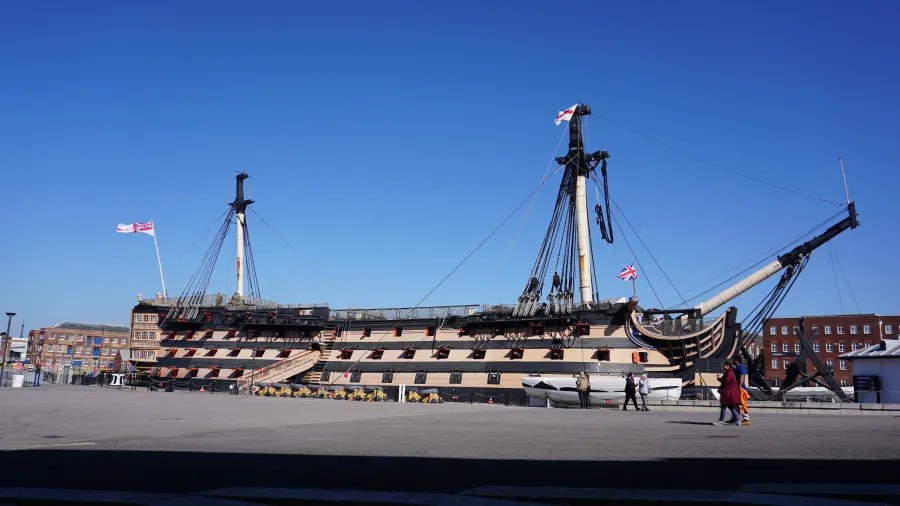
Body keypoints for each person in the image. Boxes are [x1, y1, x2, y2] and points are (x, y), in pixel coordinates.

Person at [713, 360, 741, 426]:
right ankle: (737, 420)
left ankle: (721, 421)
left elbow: (726, 381)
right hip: (730, 393)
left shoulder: (729, 373)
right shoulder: (730, 372)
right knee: (731, 407)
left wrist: (719, 379)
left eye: (724, 365)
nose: (723, 366)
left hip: (728, 393)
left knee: (723, 406)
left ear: (727, 366)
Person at [732, 355, 751, 425]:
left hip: (741, 388)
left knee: (741, 404)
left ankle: (746, 419)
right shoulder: (737, 368)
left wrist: (739, 386)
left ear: (736, 361)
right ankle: (735, 418)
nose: (732, 361)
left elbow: (742, 377)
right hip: (738, 388)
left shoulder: (740, 367)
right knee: (736, 404)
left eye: (733, 360)